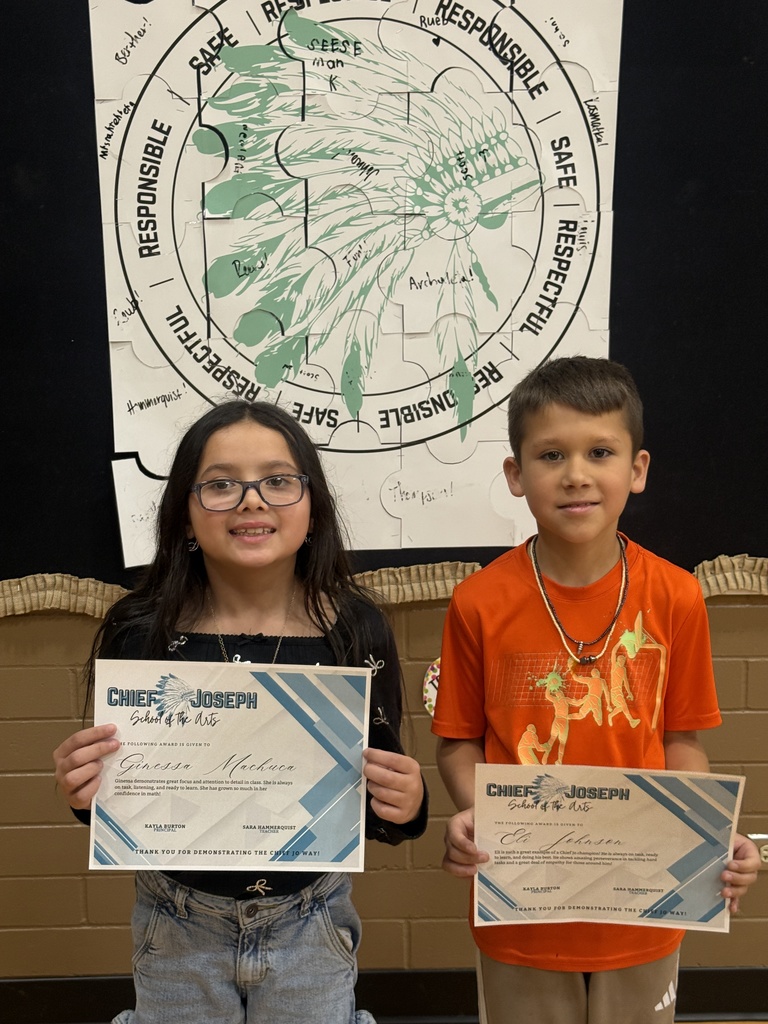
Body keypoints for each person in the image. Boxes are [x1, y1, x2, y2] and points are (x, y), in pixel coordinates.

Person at [54, 400, 427, 1024]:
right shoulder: (141, 630)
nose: (251, 501)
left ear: (313, 507)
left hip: (311, 921)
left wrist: (408, 804)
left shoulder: (355, 629)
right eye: (221, 484)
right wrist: (83, 790)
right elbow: (118, 804)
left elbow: (378, 805)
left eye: (279, 481)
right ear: (185, 512)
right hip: (176, 920)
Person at [431, 356, 760, 1024]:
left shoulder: (676, 595)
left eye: (599, 452)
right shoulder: (478, 602)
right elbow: (457, 745)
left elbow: (681, 740)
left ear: (636, 470)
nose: (576, 473)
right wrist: (480, 817)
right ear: (516, 476)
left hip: (642, 907)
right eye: (551, 454)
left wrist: (707, 832)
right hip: (521, 908)